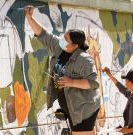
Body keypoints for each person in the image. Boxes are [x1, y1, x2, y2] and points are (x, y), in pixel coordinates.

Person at [25, 5, 100, 135]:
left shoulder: (84, 60)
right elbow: (43, 35)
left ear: (75, 45)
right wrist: (29, 18)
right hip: (71, 108)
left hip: (83, 109)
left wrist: (72, 82)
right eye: (63, 37)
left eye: (66, 39)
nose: (62, 40)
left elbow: (94, 83)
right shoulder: (60, 48)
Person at [102, 67, 133, 135]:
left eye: (126, 80)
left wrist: (128, 131)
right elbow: (122, 88)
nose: (125, 83)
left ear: (131, 83)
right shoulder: (131, 94)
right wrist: (110, 75)